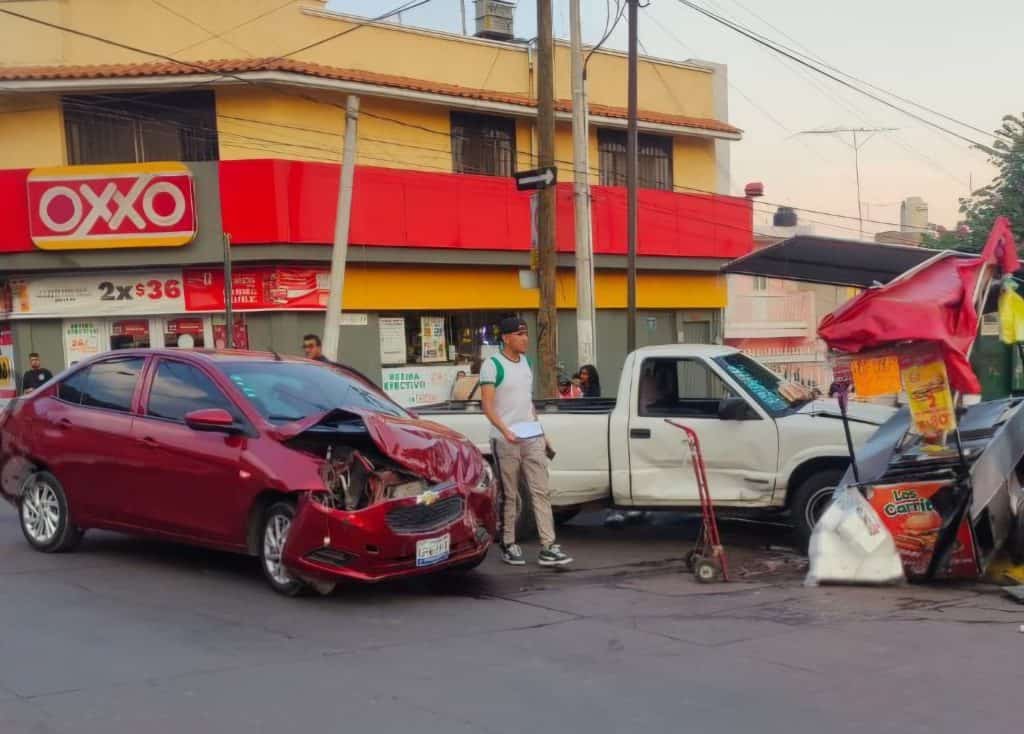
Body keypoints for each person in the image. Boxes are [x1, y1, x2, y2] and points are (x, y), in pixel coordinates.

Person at [480, 317, 573, 567]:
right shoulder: (492, 365)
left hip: (530, 435)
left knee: (541, 490)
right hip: (505, 438)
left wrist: (541, 431)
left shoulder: (526, 363)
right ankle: (509, 543)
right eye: (520, 334)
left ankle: (548, 546)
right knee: (511, 495)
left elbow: (527, 402)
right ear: (506, 338)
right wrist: (505, 430)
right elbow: (486, 405)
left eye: (526, 334)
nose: (525, 339)